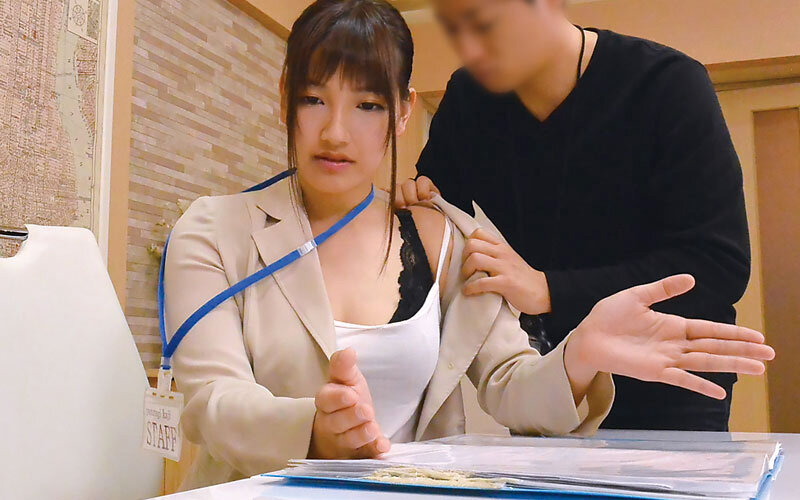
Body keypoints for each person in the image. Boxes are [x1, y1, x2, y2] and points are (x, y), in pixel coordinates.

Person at [162, 0, 773, 489]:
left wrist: (579, 354)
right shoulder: (215, 229)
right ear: (284, 98)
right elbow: (211, 400)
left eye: (368, 105)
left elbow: (510, 382)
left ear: (403, 113)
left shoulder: (442, 237)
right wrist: (312, 429)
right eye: (312, 99)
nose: (336, 132)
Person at [397, 0, 752, 432]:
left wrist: (548, 290)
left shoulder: (668, 85)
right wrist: (419, 202)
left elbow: (716, 266)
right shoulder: (470, 99)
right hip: (549, 382)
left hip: (668, 381)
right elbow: (435, 213)